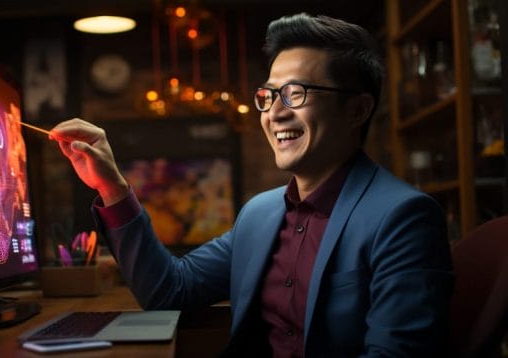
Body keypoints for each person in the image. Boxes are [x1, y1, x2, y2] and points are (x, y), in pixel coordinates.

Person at [49, 13, 454, 357]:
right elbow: (170, 291)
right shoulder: (260, 213)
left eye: (296, 94)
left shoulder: (404, 217)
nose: (274, 113)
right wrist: (113, 188)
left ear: (357, 109)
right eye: (269, 95)